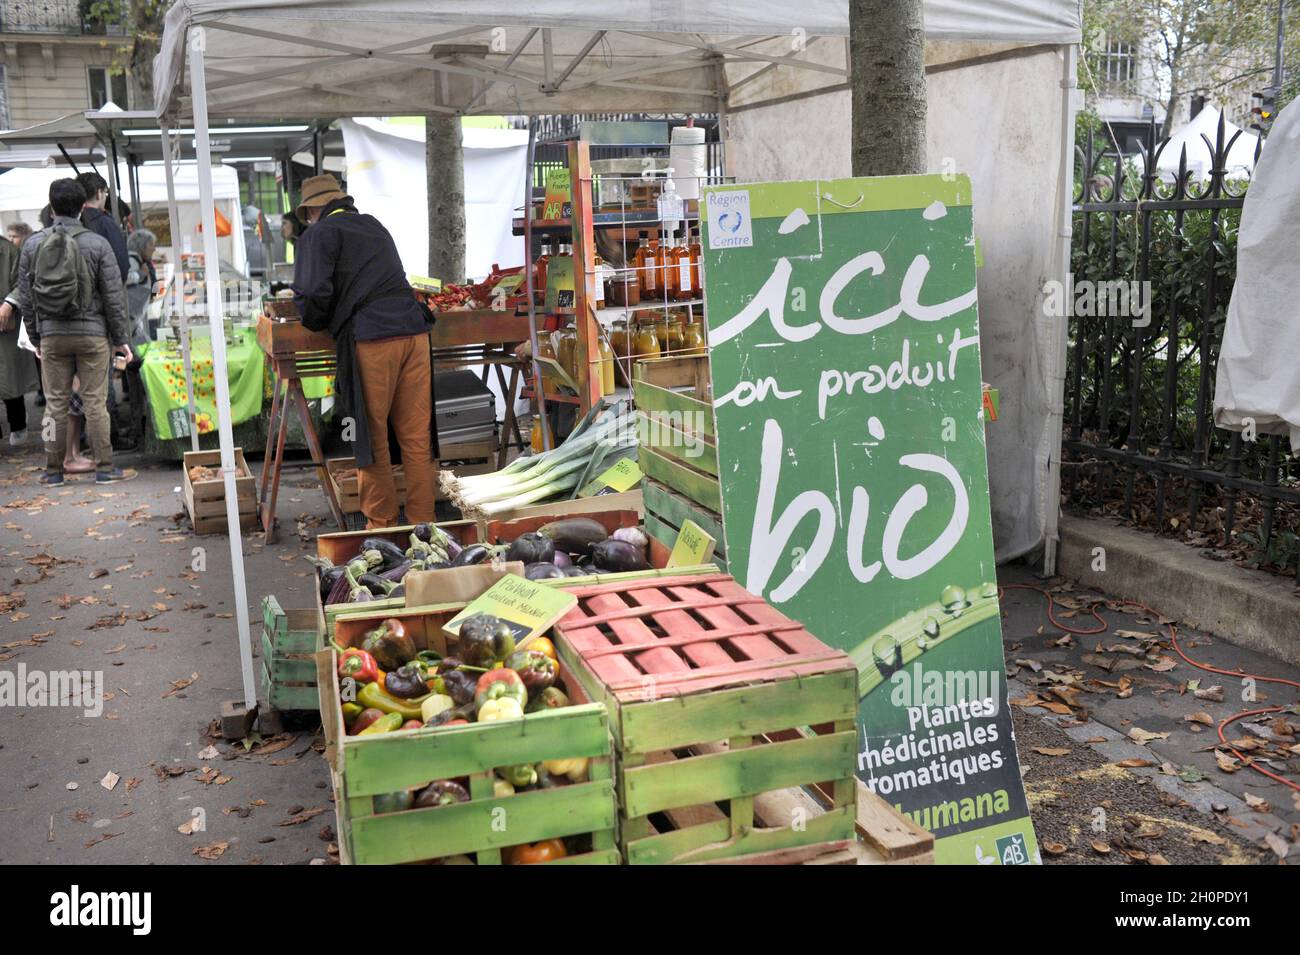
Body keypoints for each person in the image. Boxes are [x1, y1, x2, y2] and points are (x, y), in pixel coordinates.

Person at [291, 173, 438, 528]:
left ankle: (381, 528)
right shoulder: (373, 225)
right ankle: (426, 527)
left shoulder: (319, 234)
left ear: (312, 210)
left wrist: (316, 322)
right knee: (416, 439)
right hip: (414, 333)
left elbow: (311, 295)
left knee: (367, 439)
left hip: (372, 339)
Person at [15, 178, 132, 486]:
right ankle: (104, 466)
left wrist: (36, 336)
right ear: (83, 207)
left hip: (52, 335)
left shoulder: (32, 244)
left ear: (51, 208)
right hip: (93, 335)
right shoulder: (97, 243)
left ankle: (53, 470)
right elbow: (113, 297)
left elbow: (26, 297)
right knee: (95, 402)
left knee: (55, 405)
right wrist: (120, 339)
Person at [0, 226, 39, 447]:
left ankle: (18, 424)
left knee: (8, 377)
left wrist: (9, 302)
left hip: (6, 324)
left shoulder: (9, 251)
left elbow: (22, 282)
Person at [76, 172, 130, 282]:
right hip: (104, 292)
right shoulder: (106, 223)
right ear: (98, 193)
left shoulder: (72, 221)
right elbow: (122, 265)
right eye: (105, 193)